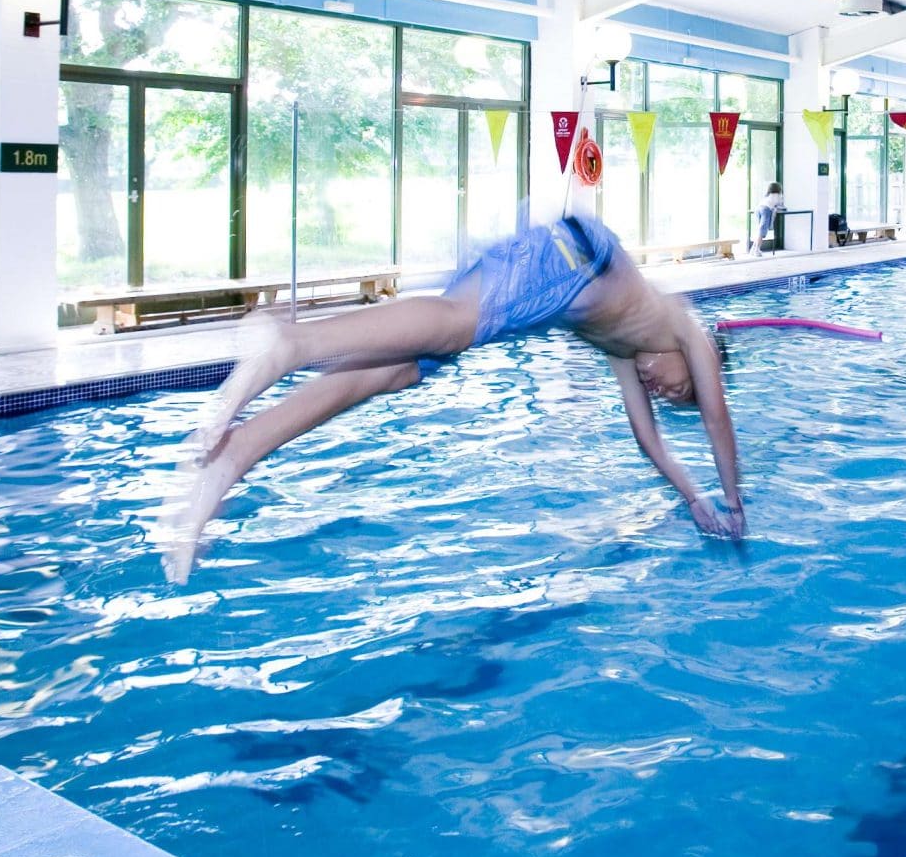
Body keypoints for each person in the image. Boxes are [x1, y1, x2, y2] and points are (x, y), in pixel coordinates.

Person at [163, 212, 744, 582]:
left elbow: (650, 443)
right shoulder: (688, 328)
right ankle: (290, 343)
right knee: (449, 325)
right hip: (570, 260)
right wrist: (736, 503)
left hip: (547, 288)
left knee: (396, 370)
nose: (664, 392)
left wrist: (693, 497)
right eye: (680, 388)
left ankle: (233, 457)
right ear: (703, 363)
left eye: (671, 399)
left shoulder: (625, 349)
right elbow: (718, 421)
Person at [757, 181, 788, 253]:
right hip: (766, 209)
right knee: (762, 231)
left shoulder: (767, 195)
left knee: (760, 229)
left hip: (759, 208)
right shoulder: (777, 195)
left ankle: (754, 248)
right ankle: (757, 249)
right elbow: (780, 205)